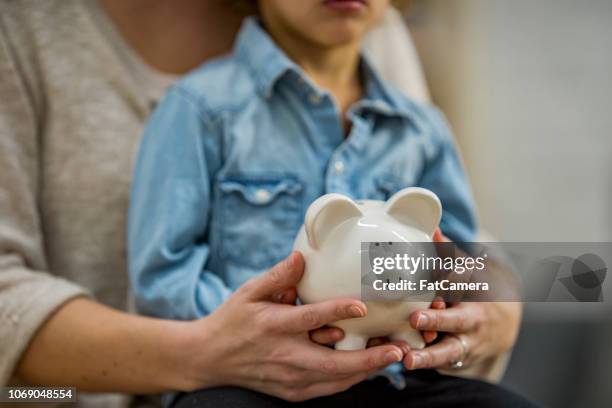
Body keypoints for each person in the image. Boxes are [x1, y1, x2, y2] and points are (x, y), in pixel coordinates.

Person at [0, 0, 522, 406]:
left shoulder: (421, 127)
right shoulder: (199, 110)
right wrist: (262, 333)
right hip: (242, 382)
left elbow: (467, 258)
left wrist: (477, 309)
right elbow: (164, 274)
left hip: (394, 379)